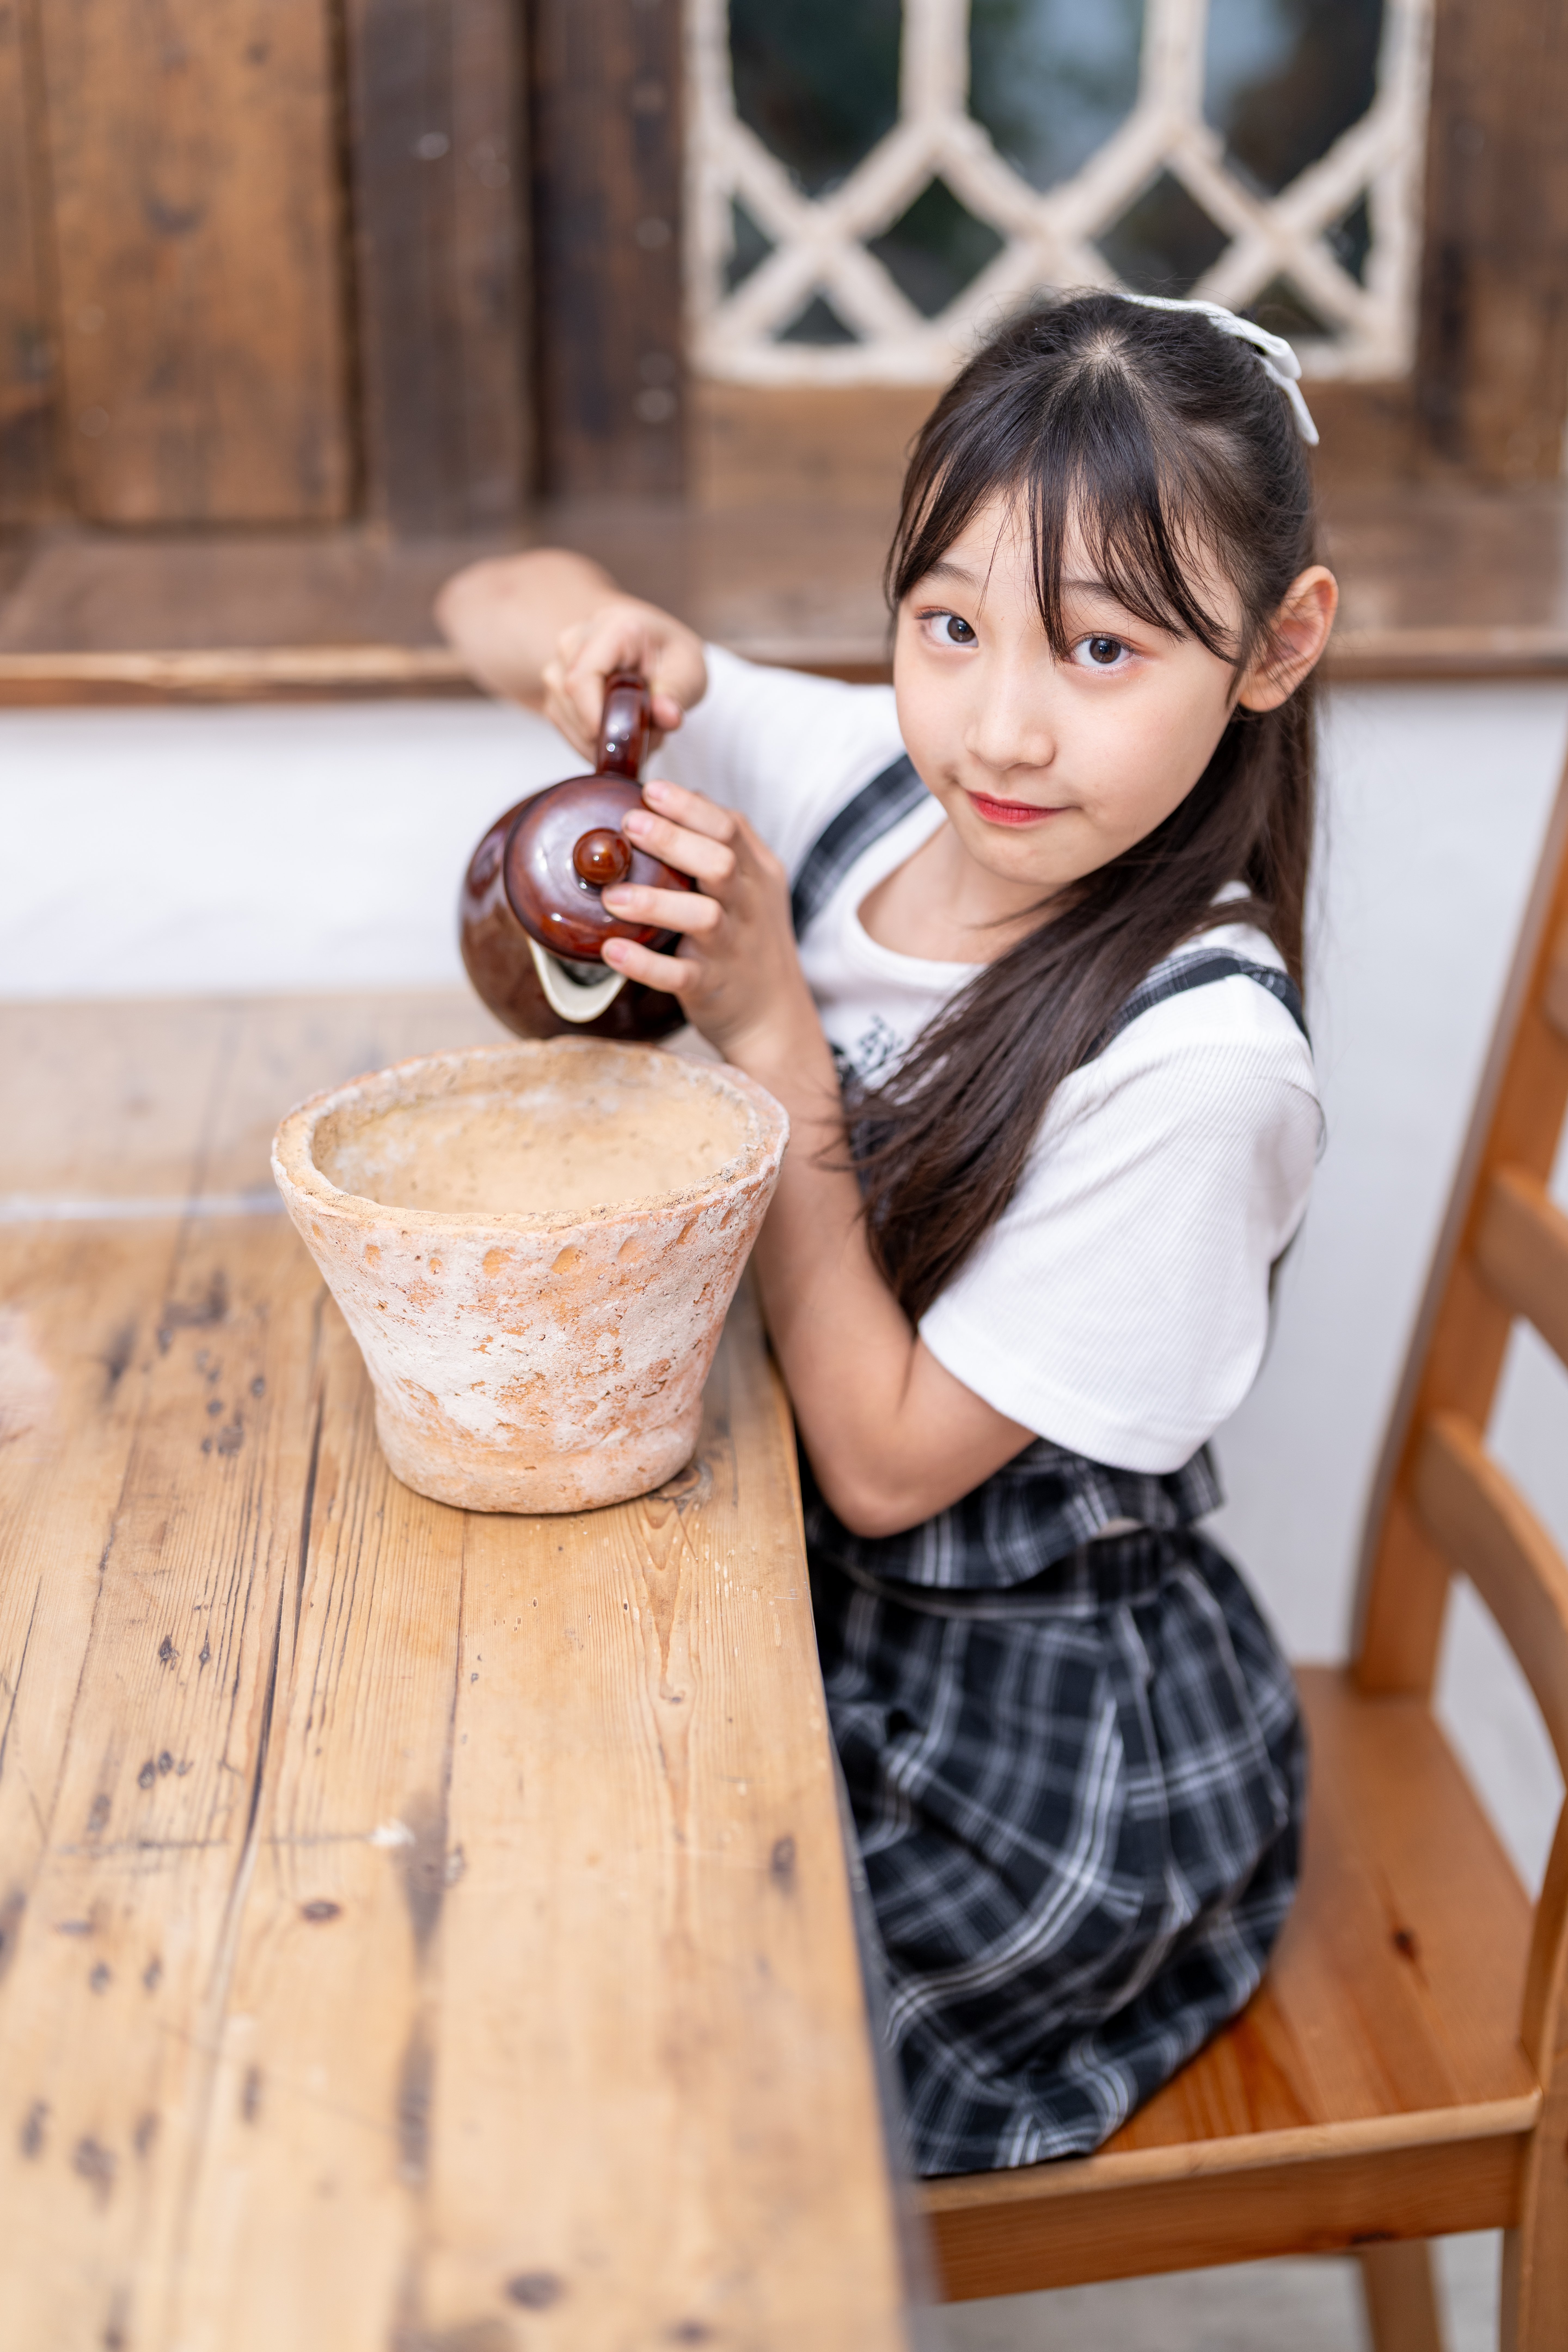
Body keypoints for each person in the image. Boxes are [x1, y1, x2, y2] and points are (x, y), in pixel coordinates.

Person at [435, 290, 1337, 2178]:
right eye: (949, 625)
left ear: (1277, 646)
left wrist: (772, 1032)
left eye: (1103, 647)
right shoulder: (868, 774)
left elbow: (886, 1467)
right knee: (454, 1866)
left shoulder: (1202, 1063)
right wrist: (602, 640)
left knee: (610, 2067)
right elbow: (486, 598)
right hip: (787, 1607)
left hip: (1022, 1746)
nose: (1002, 725)